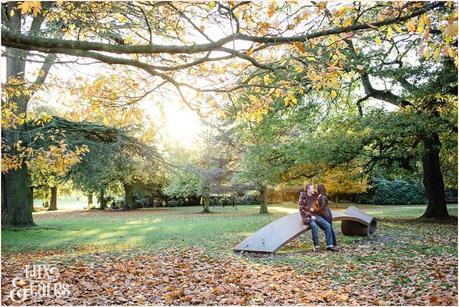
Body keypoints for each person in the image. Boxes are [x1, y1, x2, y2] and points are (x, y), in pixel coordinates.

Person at [298, 184, 337, 252]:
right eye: (312, 188)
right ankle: (316, 246)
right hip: (308, 217)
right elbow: (301, 210)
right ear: (308, 190)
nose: (314, 189)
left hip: (316, 215)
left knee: (328, 225)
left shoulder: (315, 196)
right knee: (314, 226)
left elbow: (321, 201)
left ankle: (329, 246)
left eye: (314, 188)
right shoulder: (303, 197)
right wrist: (310, 216)